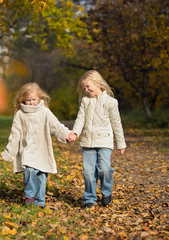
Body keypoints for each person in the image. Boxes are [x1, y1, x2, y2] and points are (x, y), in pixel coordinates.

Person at [1, 82, 76, 208]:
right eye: (28, 100)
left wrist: (66, 134)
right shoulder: (20, 114)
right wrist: (9, 152)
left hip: (42, 150)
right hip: (27, 150)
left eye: (33, 99)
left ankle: (39, 202)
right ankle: (30, 196)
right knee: (29, 171)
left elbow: (56, 126)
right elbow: (15, 134)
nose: (31, 103)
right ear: (22, 100)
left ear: (40, 98)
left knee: (42, 177)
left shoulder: (45, 112)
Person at [72, 70, 126, 208]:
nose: (86, 89)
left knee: (104, 169)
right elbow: (80, 119)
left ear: (98, 83)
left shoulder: (111, 102)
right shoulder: (85, 101)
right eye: (84, 88)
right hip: (88, 143)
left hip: (104, 142)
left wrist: (121, 143)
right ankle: (89, 198)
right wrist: (75, 133)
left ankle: (106, 192)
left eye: (88, 86)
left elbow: (116, 123)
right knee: (88, 172)